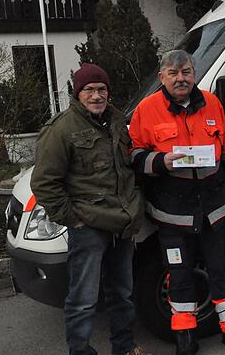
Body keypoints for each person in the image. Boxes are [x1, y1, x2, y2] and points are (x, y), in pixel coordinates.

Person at [128, 50, 225, 355]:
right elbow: (133, 156)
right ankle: (185, 334)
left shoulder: (212, 103)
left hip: (215, 208)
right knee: (180, 272)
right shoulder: (146, 110)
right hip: (173, 213)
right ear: (162, 77)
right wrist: (161, 162)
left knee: (221, 268)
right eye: (173, 73)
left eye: (185, 71)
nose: (180, 78)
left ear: (194, 74)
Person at [31, 63, 148, 355]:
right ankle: (80, 351)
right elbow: (44, 183)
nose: (97, 96)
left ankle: (124, 347)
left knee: (122, 293)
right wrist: (74, 220)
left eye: (102, 89)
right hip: (89, 227)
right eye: (90, 90)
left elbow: (127, 167)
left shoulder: (118, 120)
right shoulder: (61, 129)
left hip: (122, 224)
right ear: (78, 93)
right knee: (82, 299)